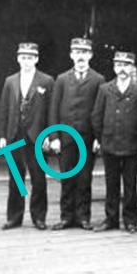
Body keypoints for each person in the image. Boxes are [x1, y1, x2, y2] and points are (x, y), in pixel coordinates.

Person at [0, 42, 55, 230]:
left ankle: (39, 217)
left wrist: (49, 136)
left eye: (30, 57)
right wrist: (2, 135)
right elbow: (3, 109)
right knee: (15, 178)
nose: (27, 61)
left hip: (37, 136)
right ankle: (14, 217)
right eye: (23, 57)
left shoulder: (46, 81)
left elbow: (51, 111)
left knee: (38, 178)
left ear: (36, 59)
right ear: (18, 58)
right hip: (15, 135)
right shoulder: (10, 81)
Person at [49, 37, 104, 230]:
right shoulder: (62, 79)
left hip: (87, 139)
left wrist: (98, 138)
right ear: (71, 55)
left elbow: (100, 111)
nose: (81, 57)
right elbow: (53, 109)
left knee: (84, 179)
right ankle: (66, 217)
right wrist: (54, 137)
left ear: (90, 55)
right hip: (66, 138)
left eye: (84, 53)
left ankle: (83, 217)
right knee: (67, 177)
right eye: (77, 53)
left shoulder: (98, 79)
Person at [90, 51, 137, 233]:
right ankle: (110, 219)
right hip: (110, 144)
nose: (122, 69)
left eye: (126, 65)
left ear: (132, 68)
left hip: (131, 146)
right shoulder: (105, 89)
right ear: (114, 67)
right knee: (111, 184)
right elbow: (96, 116)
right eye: (119, 65)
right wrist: (100, 139)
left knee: (130, 184)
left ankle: (130, 221)